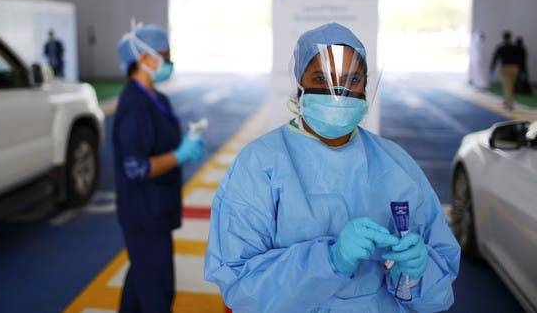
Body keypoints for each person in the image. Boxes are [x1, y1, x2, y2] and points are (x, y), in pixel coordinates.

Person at [204, 23, 460, 312]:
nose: (338, 92)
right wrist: (330, 260)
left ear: (365, 86)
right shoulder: (260, 164)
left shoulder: (396, 164)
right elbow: (241, 287)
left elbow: (437, 290)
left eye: (352, 80)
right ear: (299, 83)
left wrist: (415, 274)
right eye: (322, 78)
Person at [113, 24, 206, 312]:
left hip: (158, 209)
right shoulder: (134, 106)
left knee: (141, 283)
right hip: (144, 214)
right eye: (164, 55)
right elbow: (136, 167)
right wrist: (180, 155)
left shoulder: (157, 99)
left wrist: (189, 143)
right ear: (143, 58)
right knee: (158, 292)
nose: (169, 62)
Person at [490, 31, 522, 110]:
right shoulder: (515, 47)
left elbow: (495, 58)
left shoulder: (501, 47)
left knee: (507, 86)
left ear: (503, 37)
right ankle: (507, 101)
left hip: (506, 67)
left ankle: (509, 104)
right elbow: (520, 58)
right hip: (515, 68)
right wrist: (521, 69)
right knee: (511, 86)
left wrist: (492, 68)